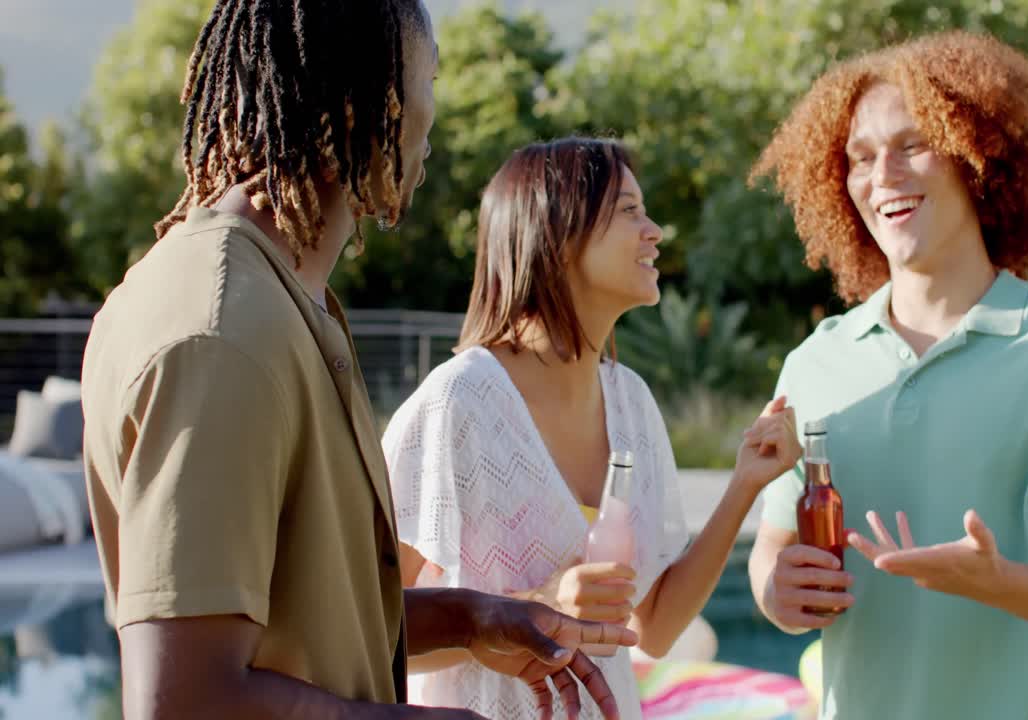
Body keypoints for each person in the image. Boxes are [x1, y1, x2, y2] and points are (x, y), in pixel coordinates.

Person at [80, 3, 634, 719]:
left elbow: (306, 618)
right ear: (362, 99)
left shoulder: (281, 303)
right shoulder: (221, 336)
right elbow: (187, 698)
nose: (435, 114)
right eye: (427, 77)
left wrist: (470, 620)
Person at [745, 30, 1028, 719]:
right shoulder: (814, 364)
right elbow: (774, 552)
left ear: (978, 156)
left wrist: (1000, 581)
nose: (882, 176)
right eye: (859, 157)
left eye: (912, 145)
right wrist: (776, 589)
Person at [381, 137, 802, 719]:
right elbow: (367, 629)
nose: (654, 231)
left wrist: (743, 486)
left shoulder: (632, 403)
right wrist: (536, 605)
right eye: (630, 211)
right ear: (556, 233)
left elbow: (653, 627)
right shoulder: (457, 405)